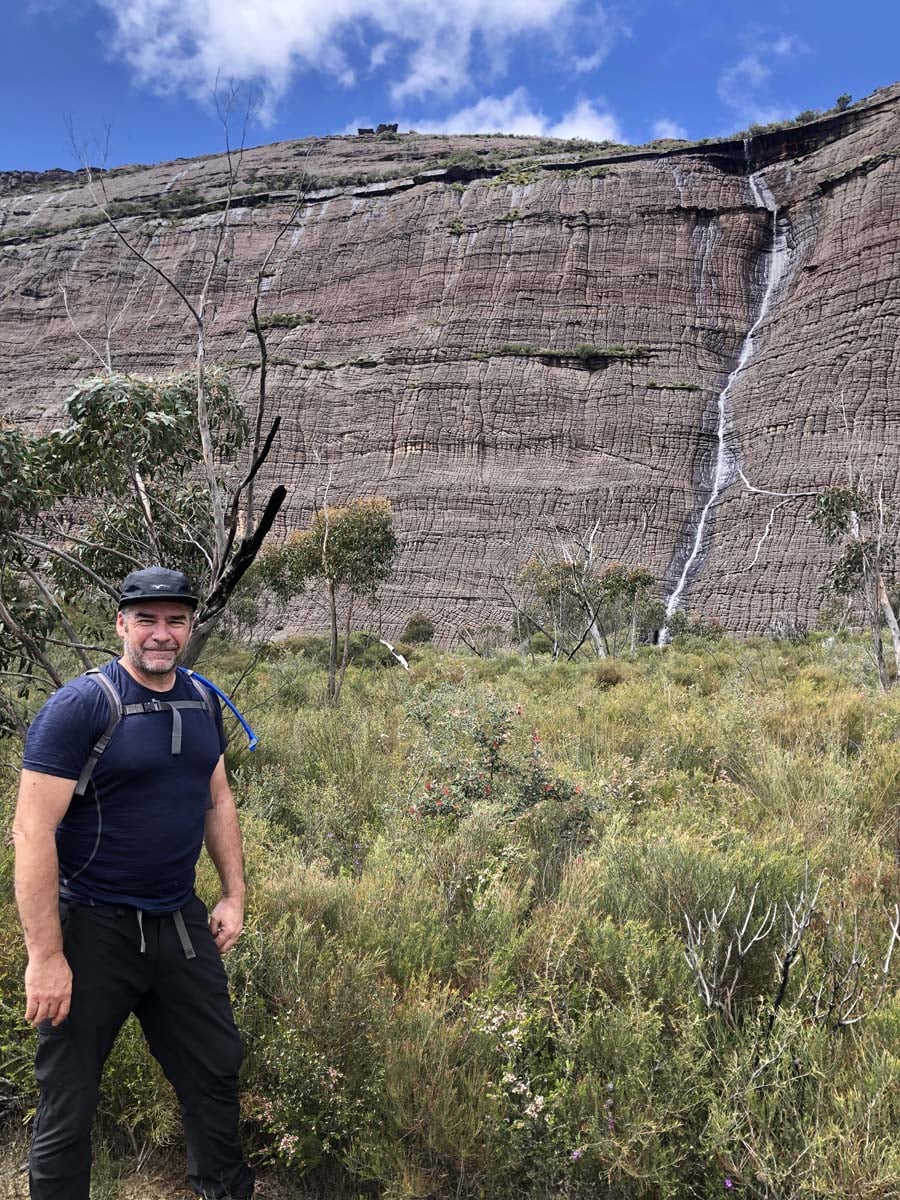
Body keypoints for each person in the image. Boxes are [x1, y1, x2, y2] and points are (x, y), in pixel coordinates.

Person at [12, 566, 255, 1200]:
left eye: (175, 620)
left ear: (189, 627)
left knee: (215, 1070)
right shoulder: (81, 707)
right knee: (70, 1096)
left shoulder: (203, 700)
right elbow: (32, 832)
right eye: (146, 619)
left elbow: (217, 798)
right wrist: (46, 956)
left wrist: (232, 892)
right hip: (92, 927)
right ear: (121, 624)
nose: (161, 633)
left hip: (179, 922)